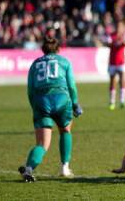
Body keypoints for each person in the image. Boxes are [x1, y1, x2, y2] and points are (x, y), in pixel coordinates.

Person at [18, 36, 83, 182]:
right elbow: (71, 85)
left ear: (43, 49)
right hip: (61, 98)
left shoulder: (35, 64)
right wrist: (75, 103)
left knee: (42, 144)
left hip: (41, 101)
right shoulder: (64, 61)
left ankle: (28, 168)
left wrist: (34, 107)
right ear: (58, 49)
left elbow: (30, 90)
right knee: (65, 130)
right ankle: (65, 168)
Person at [108, 21, 125, 110]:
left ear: (122, 27)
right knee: (112, 81)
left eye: (120, 26)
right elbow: (108, 44)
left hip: (122, 61)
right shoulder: (111, 35)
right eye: (117, 26)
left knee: (122, 81)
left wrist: (124, 43)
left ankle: (122, 101)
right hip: (112, 61)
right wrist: (114, 43)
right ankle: (112, 102)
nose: (118, 28)